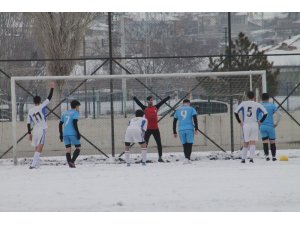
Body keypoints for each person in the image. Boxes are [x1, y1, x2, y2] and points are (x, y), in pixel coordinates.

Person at [133, 95, 170, 162]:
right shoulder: (145, 108)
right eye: (150, 100)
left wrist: (168, 97)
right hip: (148, 129)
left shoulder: (156, 107)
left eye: (152, 100)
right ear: (147, 101)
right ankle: (143, 158)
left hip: (155, 129)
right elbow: (139, 103)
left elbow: (162, 102)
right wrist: (134, 98)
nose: (151, 101)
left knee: (159, 143)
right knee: (145, 144)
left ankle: (160, 157)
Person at [234, 91, 268, 163]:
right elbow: (265, 113)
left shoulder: (243, 103)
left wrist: (239, 122)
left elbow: (235, 112)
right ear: (254, 97)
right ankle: (251, 159)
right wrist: (261, 121)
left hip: (246, 125)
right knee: (253, 142)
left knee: (245, 142)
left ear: (247, 97)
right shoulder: (257, 104)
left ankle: (243, 159)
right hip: (254, 125)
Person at [27, 82, 54, 169]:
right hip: (42, 130)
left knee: (36, 147)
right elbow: (49, 98)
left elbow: (28, 123)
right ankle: (33, 164)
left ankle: (36, 164)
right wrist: (52, 88)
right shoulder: (42, 106)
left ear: (33, 102)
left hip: (35, 130)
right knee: (40, 147)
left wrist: (29, 133)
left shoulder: (30, 111)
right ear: (40, 101)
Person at [173, 99, 198, 164]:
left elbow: (174, 121)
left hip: (181, 129)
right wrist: (196, 128)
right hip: (189, 128)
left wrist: (174, 131)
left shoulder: (178, 110)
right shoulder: (191, 109)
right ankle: (188, 158)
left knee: (184, 144)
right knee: (189, 144)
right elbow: (195, 118)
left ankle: (186, 158)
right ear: (189, 103)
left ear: (183, 103)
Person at [59, 100, 81, 168]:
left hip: (65, 134)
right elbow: (74, 123)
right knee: (78, 147)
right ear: (76, 106)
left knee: (68, 149)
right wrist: (77, 132)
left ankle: (70, 163)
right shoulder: (75, 113)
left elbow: (60, 124)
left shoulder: (65, 113)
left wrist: (61, 134)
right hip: (72, 133)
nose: (79, 108)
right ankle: (72, 161)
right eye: (78, 106)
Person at [259, 93, 281, 161]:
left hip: (262, 126)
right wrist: (276, 123)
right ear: (268, 98)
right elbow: (279, 114)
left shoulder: (259, 105)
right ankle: (274, 157)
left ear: (261, 98)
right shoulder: (272, 105)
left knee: (265, 141)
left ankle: (267, 156)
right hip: (270, 126)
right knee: (272, 142)